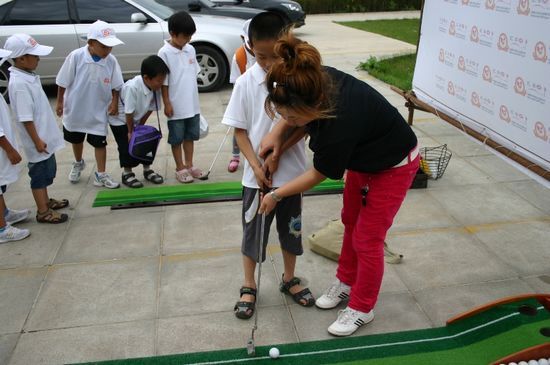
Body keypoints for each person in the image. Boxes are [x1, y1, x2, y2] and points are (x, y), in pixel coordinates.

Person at [258, 33, 419, 336]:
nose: (285, 119)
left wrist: (277, 195)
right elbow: (293, 109)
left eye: (289, 115)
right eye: (282, 114)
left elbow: (319, 173)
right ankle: (346, 281)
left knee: (368, 239)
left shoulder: (340, 121)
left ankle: (362, 307)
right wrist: (277, 137)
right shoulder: (311, 79)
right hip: (364, 158)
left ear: (312, 105)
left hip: (394, 166)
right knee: (350, 222)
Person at [222, 12, 314, 320]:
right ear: (249, 46)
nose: (265, 62)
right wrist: (256, 166)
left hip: (293, 177)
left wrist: (279, 152)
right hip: (256, 179)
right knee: (253, 233)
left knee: (292, 231)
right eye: (259, 56)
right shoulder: (246, 83)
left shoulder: (297, 80)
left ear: (285, 45)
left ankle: (289, 278)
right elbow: (240, 131)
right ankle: (249, 285)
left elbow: (303, 125)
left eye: (272, 56)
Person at [4, 34, 69, 224]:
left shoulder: (27, 76)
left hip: (43, 137)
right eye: (34, 55)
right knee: (39, 176)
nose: (38, 58)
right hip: (37, 140)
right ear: (21, 58)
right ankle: (43, 211)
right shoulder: (19, 84)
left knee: (48, 171)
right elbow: (26, 118)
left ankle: (46, 201)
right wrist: (37, 141)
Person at [56, 20, 124, 189]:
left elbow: (116, 85)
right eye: (104, 47)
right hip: (76, 109)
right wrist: (59, 102)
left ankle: (100, 174)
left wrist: (114, 102)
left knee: (100, 142)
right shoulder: (76, 56)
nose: (108, 51)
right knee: (76, 139)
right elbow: (63, 81)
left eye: (110, 47)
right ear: (91, 43)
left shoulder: (111, 60)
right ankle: (78, 162)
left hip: (99, 110)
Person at [158, 10, 206, 184]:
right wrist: (167, 103)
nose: (188, 40)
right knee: (177, 138)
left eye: (190, 36)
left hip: (192, 105)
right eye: (185, 36)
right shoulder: (164, 53)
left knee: (190, 136)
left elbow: (193, 75)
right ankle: (180, 167)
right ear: (172, 33)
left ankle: (190, 164)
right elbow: (164, 82)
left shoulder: (190, 50)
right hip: (176, 106)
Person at [109, 55, 169, 188]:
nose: (161, 84)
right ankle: (127, 173)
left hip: (135, 119)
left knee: (145, 140)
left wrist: (140, 126)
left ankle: (147, 170)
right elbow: (128, 112)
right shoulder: (132, 87)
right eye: (159, 80)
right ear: (146, 78)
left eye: (163, 80)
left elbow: (151, 108)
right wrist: (131, 132)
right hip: (120, 119)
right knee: (126, 145)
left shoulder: (155, 88)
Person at [0, 47, 31, 243]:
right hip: (2, 145)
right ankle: (2, 230)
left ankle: (4, 213)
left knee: (0, 185)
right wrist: (9, 149)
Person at [227, 19, 256, 173]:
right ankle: (235, 156)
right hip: (245, 95)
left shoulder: (267, 51)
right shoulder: (239, 56)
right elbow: (235, 83)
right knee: (239, 128)